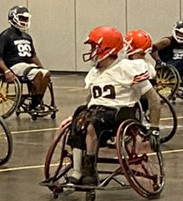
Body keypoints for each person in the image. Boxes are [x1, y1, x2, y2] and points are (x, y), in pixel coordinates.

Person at [66, 26, 162, 186]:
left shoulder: (128, 68)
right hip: (97, 111)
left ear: (106, 48)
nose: (91, 51)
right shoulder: (94, 73)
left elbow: (154, 99)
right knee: (80, 116)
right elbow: (90, 99)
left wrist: (154, 127)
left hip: (121, 112)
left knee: (92, 123)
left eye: (94, 47)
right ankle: (77, 170)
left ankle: (89, 170)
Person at [0, 5, 51, 112]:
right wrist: (6, 70)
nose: (24, 21)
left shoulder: (27, 37)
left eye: (26, 19)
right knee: (36, 74)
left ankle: (36, 100)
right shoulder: (5, 36)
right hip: (14, 65)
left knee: (45, 73)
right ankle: (35, 103)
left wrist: (42, 68)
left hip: (27, 66)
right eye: (22, 18)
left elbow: (33, 56)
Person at [151, 20, 183, 93]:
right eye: (180, 34)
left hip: (180, 63)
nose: (182, 36)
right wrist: (158, 61)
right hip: (168, 64)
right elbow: (152, 48)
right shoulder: (167, 41)